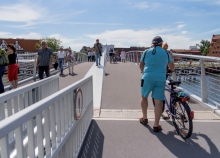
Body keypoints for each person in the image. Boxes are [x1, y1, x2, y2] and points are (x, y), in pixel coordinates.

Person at [139, 36, 174, 132]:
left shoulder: (146, 52)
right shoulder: (166, 52)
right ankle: (156, 124)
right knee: (158, 102)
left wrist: (143, 72)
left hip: (147, 78)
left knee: (144, 96)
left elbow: (141, 65)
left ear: (152, 43)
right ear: (160, 43)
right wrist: (172, 70)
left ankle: (145, 118)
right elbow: (171, 66)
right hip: (161, 78)